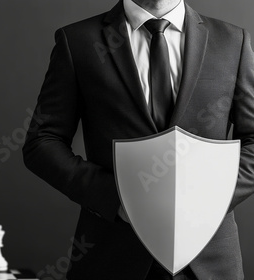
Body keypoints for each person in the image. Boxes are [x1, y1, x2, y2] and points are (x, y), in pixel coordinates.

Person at [22, 0, 254, 279]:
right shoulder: (77, 41)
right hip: (112, 255)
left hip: (209, 262)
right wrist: (115, 198)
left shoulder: (232, 40)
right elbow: (42, 141)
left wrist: (210, 199)